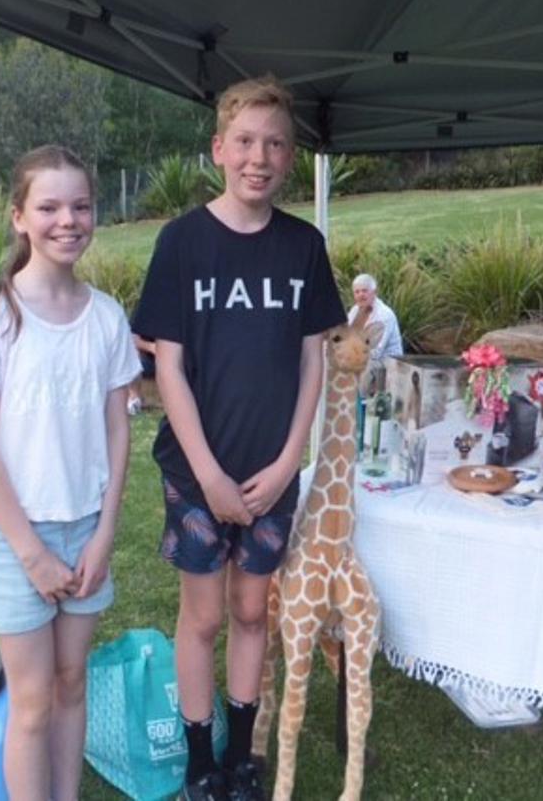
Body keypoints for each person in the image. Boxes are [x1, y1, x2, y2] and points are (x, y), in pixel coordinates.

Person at [132, 75, 345, 801]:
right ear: (220, 148)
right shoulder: (183, 243)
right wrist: (209, 475)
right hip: (198, 476)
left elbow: (314, 355)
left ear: (291, 158)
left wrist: (291, 460)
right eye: (247, 142)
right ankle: (200, 761)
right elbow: (169, 363)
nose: (261, 157)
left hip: (271, 473)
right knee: (204, 616)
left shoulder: (304, 247)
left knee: (254, 612)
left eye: (276, 144)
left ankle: (242, 759)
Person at [0, 145, 142, 801]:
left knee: (71, 683)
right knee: (31, 703)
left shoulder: (108, 318)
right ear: (19, 218)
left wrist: (103, 536)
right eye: (50, 206)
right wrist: (32, 555)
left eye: (81, 206)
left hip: (85, 532)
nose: (68, 220)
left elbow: (119, 433)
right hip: (14, 541)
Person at [347, 273, 404, 395]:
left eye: (364, 291)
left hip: (387, 361)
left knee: (366, 365)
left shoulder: (384, 315)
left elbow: (376, 353)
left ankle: (358, 403)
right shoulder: (355, 310)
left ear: (374, 292)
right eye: (357, 292)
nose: (360, 295)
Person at [126, 333, 157, 416]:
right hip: (149, 361)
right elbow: (131, 339)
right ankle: (135, 400)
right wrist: (151, 347)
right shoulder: (145, 321)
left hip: (172, 363)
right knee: (132, 353)